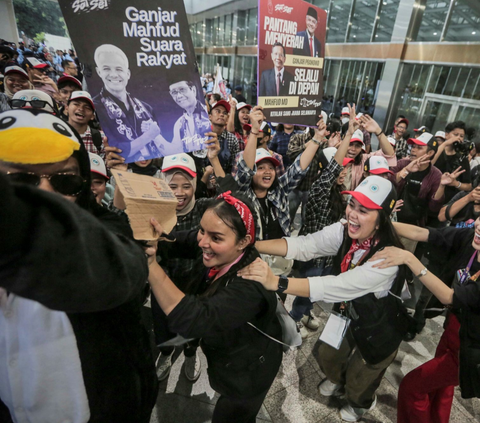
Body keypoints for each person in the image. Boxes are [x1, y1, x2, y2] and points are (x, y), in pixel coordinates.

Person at [0, 108, 157, 422]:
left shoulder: (112, 230)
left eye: (65, 180)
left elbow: (117, 269)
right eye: (20, 181)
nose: (46, 192)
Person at [238, 176, 410, 422]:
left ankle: (360, 403)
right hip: (349, 313)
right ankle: (338, 380)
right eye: (352, 205)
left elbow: (337, 286)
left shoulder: (387, 258)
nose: (352, 214)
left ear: (382, 219)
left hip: (378, 327)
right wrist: (253, 245)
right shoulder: (345, 231)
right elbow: (306, 245)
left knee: (362, 375)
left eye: (363, 210)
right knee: (329, 355)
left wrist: (278, 283)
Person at [146, 191, 283, 422]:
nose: (203, 242)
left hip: (249, 373)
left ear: (243, 242)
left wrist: (150, 266)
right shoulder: (220, 248)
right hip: (229, 354)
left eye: (216, 238)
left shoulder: (250, 285)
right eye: (202, 230)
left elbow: (196, 320)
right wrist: (161, 238)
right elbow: (186, 240)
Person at [371, 220, 480, 422]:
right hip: (454, 330)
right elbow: (422, 232)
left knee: (412, 387)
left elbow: (449, 296)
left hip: (470, 349)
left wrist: (410, 259)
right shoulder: (469, 240)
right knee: (441, 389)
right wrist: (377, 221)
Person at [234, 106, 323, 240]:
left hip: (279, 254)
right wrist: (254, 131)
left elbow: (298, 168)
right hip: (254, 256)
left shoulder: (279, 190)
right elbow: (246, 169)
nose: (267, 172)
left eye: (271, 167)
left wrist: (317, 138)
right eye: (261, 168)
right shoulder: (243, 194)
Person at [92, 44, 163, 162]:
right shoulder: (96, 107)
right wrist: (149, 135)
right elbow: (119, 150)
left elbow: (160, 147)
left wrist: (156, 134)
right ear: (99, 72)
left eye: (119, 69)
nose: (114, 74)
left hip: (150, 169)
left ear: (128, 74)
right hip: (121, 169)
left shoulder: (146, 108)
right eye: (106, 69)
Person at [432, 121, 472, 203]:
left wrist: (456, 183)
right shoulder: (436, 151)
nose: (458, 138)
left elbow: (468, 186)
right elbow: (429, 164)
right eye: (455, 134)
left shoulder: (462, 158)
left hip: (448, 201)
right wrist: (444, 144)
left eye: (461, 136)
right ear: (446, 135)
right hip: (430, 195)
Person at [168, 79, 211, 152]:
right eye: (174, 92)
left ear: (193, 90)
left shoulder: (208, 115)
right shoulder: (179, 124)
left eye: (182, 90)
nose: (179, 96)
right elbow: (176, 150)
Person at [67, 91, 105, 159]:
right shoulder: (54, 133)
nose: (81, 109)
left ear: (92, 116)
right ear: (67, 108)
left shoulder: (102, 138)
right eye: (76, 104)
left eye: (87, 107)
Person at [208, 99, 239, 174]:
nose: (221, 114)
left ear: (227, 119)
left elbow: (234, 167)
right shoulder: (202, 137)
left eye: (224, 113)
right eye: (218, 111)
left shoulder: (232, 139)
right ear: (210, 116)